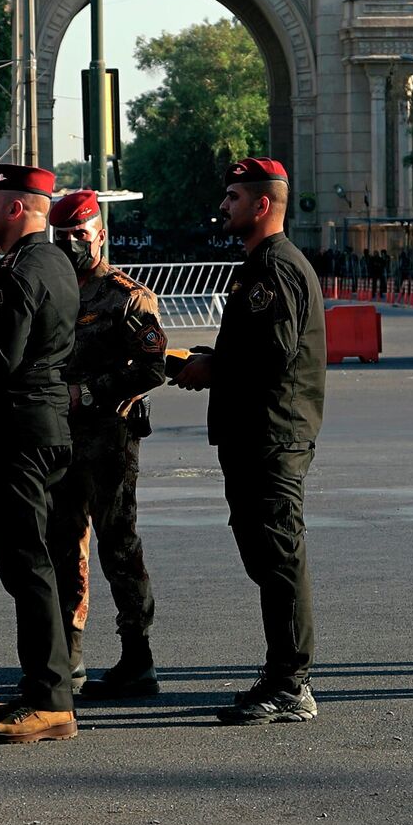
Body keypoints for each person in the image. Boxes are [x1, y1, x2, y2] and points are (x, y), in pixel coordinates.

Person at [170, 157, 328, 725]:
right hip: (256, 433)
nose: (224, 206)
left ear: (262, 204)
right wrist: (212, 361)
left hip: (271, 434)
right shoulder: (262, 264)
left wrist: (214, 368)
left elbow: (273, 355)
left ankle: (291, 685)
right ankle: (282, 673)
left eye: (234, 197)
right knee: (266, 556)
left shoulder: (275, 269)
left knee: (280, 557)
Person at [0, 162, 80, 744]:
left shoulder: (21, 273)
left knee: (27, 567)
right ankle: (43, 685)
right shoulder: (52, 263)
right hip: (45, 425)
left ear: (13, 208)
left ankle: (52, 700)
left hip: (18, 430)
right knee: (39, 565)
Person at [44, 188, 168, 700]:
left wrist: (88, 392)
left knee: (119, 547)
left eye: (79, 234)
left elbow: (153, 367)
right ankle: (67, 657)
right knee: (63, 547)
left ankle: (137, 656)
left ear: (99, 233)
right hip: (59, 443)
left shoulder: (125, 296)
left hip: (109, 442)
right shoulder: (51, 292)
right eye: (62, 236)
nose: (71, 243)